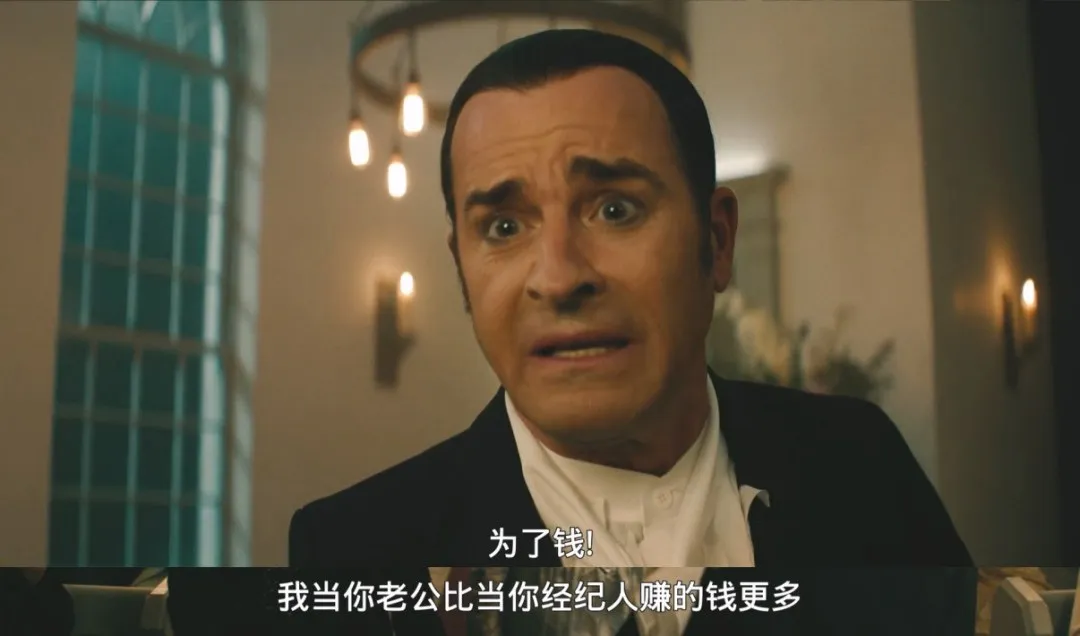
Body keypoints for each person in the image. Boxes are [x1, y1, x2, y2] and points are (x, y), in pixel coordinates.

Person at [285, 29, 974, 635]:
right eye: (503, 226)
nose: (559, 278)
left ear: (717, 240)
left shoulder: (860, 464)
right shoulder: (356, 551)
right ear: (461, 267)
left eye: (615, 210)